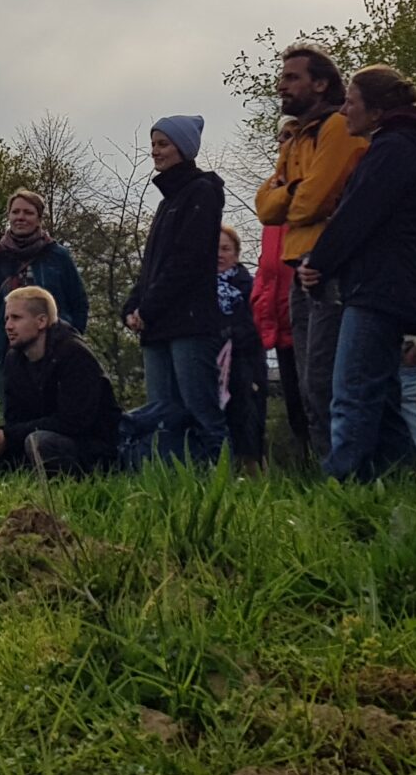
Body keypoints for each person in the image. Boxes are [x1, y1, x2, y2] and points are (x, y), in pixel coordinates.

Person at [300, 67, 416, 482]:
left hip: (378, 287)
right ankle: (406, 482)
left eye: (351, 102)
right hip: (394, 285)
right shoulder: (408, 148)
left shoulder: (390, 151)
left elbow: (356, 216)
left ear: (377, 110)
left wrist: (319, 262)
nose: (344, 110)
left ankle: (342, 483)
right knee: (381, 398)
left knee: (351, 392)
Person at [253, 45, 369, 460]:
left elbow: (313, 201)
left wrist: (291, 197)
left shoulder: (336, 128)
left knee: (326, 379)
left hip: (328, 266)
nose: (282, 85)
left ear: (321, 83)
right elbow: (265, 208)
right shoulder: (297, 137)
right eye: (282, 77)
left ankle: (349, 472)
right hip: (298, 266)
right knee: (306, 384)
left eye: (292, 77)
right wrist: (293, 195)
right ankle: (331, 474)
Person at [126, 116, 228, 462]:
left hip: (189, 324)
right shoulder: (165, 203)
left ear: (184, 148)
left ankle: (218, 481)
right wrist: (133, 304)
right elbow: (152, 266)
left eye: (163, 144)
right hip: (158, 327)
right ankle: (173, 484)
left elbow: (187, 260)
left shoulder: (202, 193)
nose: (155, 151)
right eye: (153, 144)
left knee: (201, 411)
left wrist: (147, 307)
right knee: (163, 415)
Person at [0, 287, 122, 477]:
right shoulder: (14, 360)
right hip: (34, 438)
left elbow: (74, 422)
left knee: (39, 442)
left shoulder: (75, 355)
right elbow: (15, 418)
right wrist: (1, 435)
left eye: (16, 318)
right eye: (6, 319)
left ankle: (63, 494)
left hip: (89, 448)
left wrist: (11, 435)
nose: (8, 326)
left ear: (41, 321)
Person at [0, 190, 91, 398]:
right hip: (6, 355)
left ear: (39, 218)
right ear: (8, 216)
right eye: (15, 212)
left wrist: (71, 339)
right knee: (16, 420)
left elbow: (79, 302)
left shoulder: (58, 256)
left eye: (28, 212)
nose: (21, 217)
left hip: (55, 353)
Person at [215, 227, 270, 466]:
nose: (219, 254)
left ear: (236, 255)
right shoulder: (196, 289)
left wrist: (229, 334)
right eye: (214, 249)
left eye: (225, 249)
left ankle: (251, 474)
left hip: (245, 365)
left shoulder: (249, 286)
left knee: (247, 421)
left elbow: (256, 326)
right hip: (211, 365)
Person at [254, 222, 304, 454]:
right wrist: (259, 305)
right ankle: (308, 471)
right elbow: (267, 271)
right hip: (282, 330)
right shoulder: (274, 222)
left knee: (316, 401)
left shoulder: (314, 204)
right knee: (295, 406)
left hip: (308, 322)